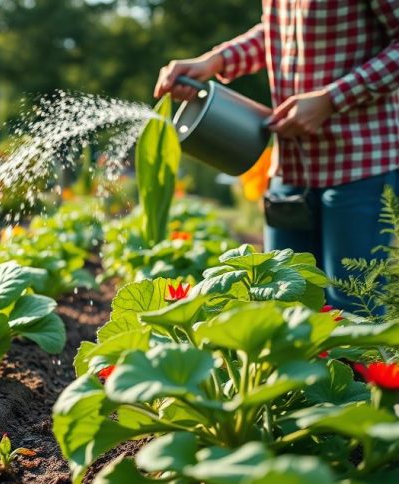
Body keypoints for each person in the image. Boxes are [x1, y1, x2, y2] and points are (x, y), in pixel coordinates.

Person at [154, 1, 399, 312]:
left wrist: (332, 99)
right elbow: (276, 32)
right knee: (281, 306)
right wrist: (215, 61)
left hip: (359, 166)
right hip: (290, 166)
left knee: (353, 311)